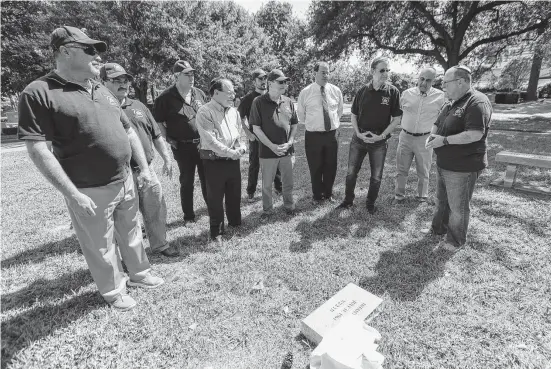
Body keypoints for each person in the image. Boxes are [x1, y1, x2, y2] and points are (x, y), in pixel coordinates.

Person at [18, 26, 164, 311]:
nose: (97, 56)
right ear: (65, 51)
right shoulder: (39, 92)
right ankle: (113, 291)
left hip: (125, 179)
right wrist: (72, 193)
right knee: (100, 243)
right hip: (88, 187)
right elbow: (38, 149)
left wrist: (144, 169)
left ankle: (139, 273)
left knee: (132, 229)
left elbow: (129, 131)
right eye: (90, 50)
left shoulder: (100, 88)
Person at [101, 63, 179, 257]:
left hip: (147, 169)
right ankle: (130, 256)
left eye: (125, 80)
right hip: (119, 174)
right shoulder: (99, 108)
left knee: (156, 209)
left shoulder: (139, 106)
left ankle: (160, 245)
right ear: (102, 82)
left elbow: (156, 135)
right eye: (116, 81)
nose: (123, 84)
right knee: (126, 218)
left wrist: (167, 159)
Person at [425, 65, 492, 252]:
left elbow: (475, 134)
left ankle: (455, 241)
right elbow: (437, 123)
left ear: (460, 82)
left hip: (463, 166)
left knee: (458, 207)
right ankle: (438, 229)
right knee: (442, 201)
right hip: (444, 163)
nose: (443, 87)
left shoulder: (477, 102)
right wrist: (432, 137)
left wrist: (444, 141)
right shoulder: (451, 102)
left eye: (446, 83)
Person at [338, 57, 403, 214]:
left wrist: (381, 136)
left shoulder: (393, 92)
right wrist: (358, 133)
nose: (386, 73)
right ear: (373, 71)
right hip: (358, 140)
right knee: (351, 172)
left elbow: (396, 119)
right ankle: (348, 201)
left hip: (379, 142)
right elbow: (353, 114)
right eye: (382, 70)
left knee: (376, 176)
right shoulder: (362, 91)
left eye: (388, 70)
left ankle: (370, 203)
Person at [153, 60, 208, 224]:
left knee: (207, 178)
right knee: (187, 180)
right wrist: (168, 138)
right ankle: (189, 216)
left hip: (203, 144)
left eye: (192, 74)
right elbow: (158, 122)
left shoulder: (199, 93)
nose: (191, 77)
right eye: (187, 74)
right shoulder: (165, 98)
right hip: (183, 146)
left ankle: (211, 208)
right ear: (176, 76)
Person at [196, 78, 246, 244]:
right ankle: (216, 231)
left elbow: (239, 133)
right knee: (215, 197)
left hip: (233, 159)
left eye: (233, 91)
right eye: (229, 92)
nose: (233, 95)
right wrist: (229, 152)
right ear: (216, 93)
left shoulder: (233, 111)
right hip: (214, 162)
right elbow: (210, 140)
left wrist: (241, 147)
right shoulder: (205, 112)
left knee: (234, 192)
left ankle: (235, 222)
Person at [392, 67, 445, 204]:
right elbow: (397, 113)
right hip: (405, 137)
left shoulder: (440, 97)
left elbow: (443, 118)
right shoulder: (406, 94)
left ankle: (422, 196)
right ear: (418, 78)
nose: (423, 83)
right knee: (401, 169)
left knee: (424, 170)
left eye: (428, 80)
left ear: (433, 81)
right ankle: (399, 195)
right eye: (422, 79)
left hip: (425, 138)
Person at [249, 69, 298, 217]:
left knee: (288, 183)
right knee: (267, 185)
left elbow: (294, 124)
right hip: (268, 151)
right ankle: (268, 210)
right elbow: (256, 129)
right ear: (270, 83)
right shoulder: (258, 102)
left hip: (287, 150)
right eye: (280, 82)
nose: (284, 84)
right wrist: (272, 146)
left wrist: (289, 142)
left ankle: (289, 206)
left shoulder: (288, 101)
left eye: (285, 82)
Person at [298, 61, 344, 204]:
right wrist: (316, 124)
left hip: (331, 135)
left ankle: (329, 193)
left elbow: (339, 112)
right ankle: (317, 196)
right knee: (315, 166)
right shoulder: (306, 92)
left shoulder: (336, 91)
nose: (326, 75)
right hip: (313, 136)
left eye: (328, 72)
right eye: (323, 72)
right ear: (315, 73)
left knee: (331, 165)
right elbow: (301, 115)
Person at [237, 68, 282, 201]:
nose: (263, 81)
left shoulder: (271, 96)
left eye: (265, 78)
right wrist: (248, 133)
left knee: (275, 162)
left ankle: (278, 188)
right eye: (260, 79)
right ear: (254, 81)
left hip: (272, 137)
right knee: (254, 165)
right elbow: (238, 118)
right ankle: (251, 191)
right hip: (256, 139)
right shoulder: (247, 99)